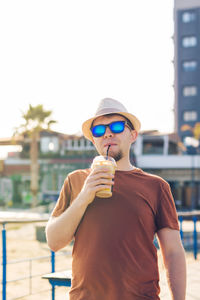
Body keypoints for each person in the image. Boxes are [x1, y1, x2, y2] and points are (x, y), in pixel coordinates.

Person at [46, 98, 186, 300]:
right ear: (94, 140)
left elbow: (173, 252)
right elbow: (54, 242)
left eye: (117, 126)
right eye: (99, 130)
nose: (108, 133)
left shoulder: (156, 186)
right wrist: (85, 195)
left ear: (133, 135)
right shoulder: (75, 180)